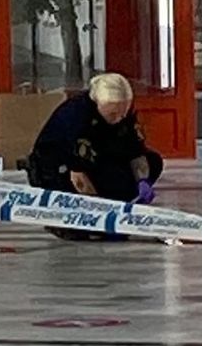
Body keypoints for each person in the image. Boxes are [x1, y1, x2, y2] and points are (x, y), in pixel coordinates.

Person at [26, 73, 164, 241]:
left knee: (153, 161)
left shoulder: (123, 116)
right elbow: (78, 175)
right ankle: (69, 220)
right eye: (113, 114)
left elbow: (135, 151)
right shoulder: (76, 117)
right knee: (82, 228)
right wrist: (99, 211)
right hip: (59, 169)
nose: (119, 118)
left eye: (123, 112)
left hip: (98, 159)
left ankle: (117, 205)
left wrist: (142, 181)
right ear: (98, 103)